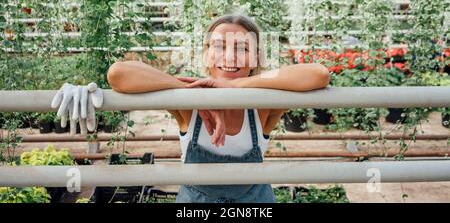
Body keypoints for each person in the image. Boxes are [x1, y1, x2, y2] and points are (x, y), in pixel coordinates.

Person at [54, 14, 330, 203]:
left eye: (243, 49)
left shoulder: (263, 103)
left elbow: (318, 74)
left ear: (256, 57)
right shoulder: (187, 105)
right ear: (205, 54)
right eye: (218, 47)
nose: (230, 57)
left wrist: (235, 87)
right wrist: (198, 95)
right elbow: (119, 74)